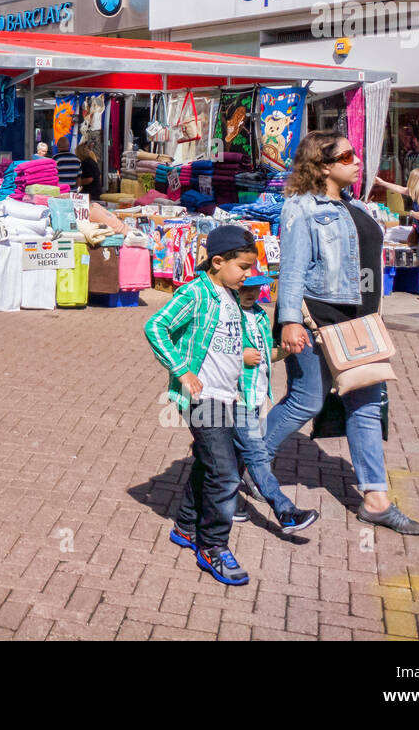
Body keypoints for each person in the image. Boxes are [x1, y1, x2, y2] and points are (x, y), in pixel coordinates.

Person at [271, 131, 419, 535]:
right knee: (306, 401)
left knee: (368, 402)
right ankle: (246, 461)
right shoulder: (302, 208)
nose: (358, 161)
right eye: (347, 156)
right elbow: (292, 270)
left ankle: (375, 501)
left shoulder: (357, 206)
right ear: (322, 166)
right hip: (316, 318)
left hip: (361, 322)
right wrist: (289, 320)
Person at [143, 224, 262, 585]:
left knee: (210, 463)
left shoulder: (231, 297)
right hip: (201, 398)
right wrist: (180, 370)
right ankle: (213, 546)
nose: (248, 275)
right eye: (243, 267)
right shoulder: (196, 293)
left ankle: (185, 526)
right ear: (217, 261)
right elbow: (156, 326)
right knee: (226, 473)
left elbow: (226, 349)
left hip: (229, 396)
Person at [232, 274, 319, 535]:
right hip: (235, 399)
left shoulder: (258, 315)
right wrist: (239, 356)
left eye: (256, 287)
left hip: (257, 396)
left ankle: (226, 500)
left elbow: (265, 355)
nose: (251, 293)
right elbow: (207, 353)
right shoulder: (225, 316)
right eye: (244, 288)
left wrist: (285, 350)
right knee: (256, 455)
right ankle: (285, 511)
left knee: (231, 456)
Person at [376, 169, 419, 299]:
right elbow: (399, 188)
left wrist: (411, 213)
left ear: (417, 180)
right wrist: (382, 183)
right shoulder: (416, 193)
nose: (409, 181)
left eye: (411, 178)